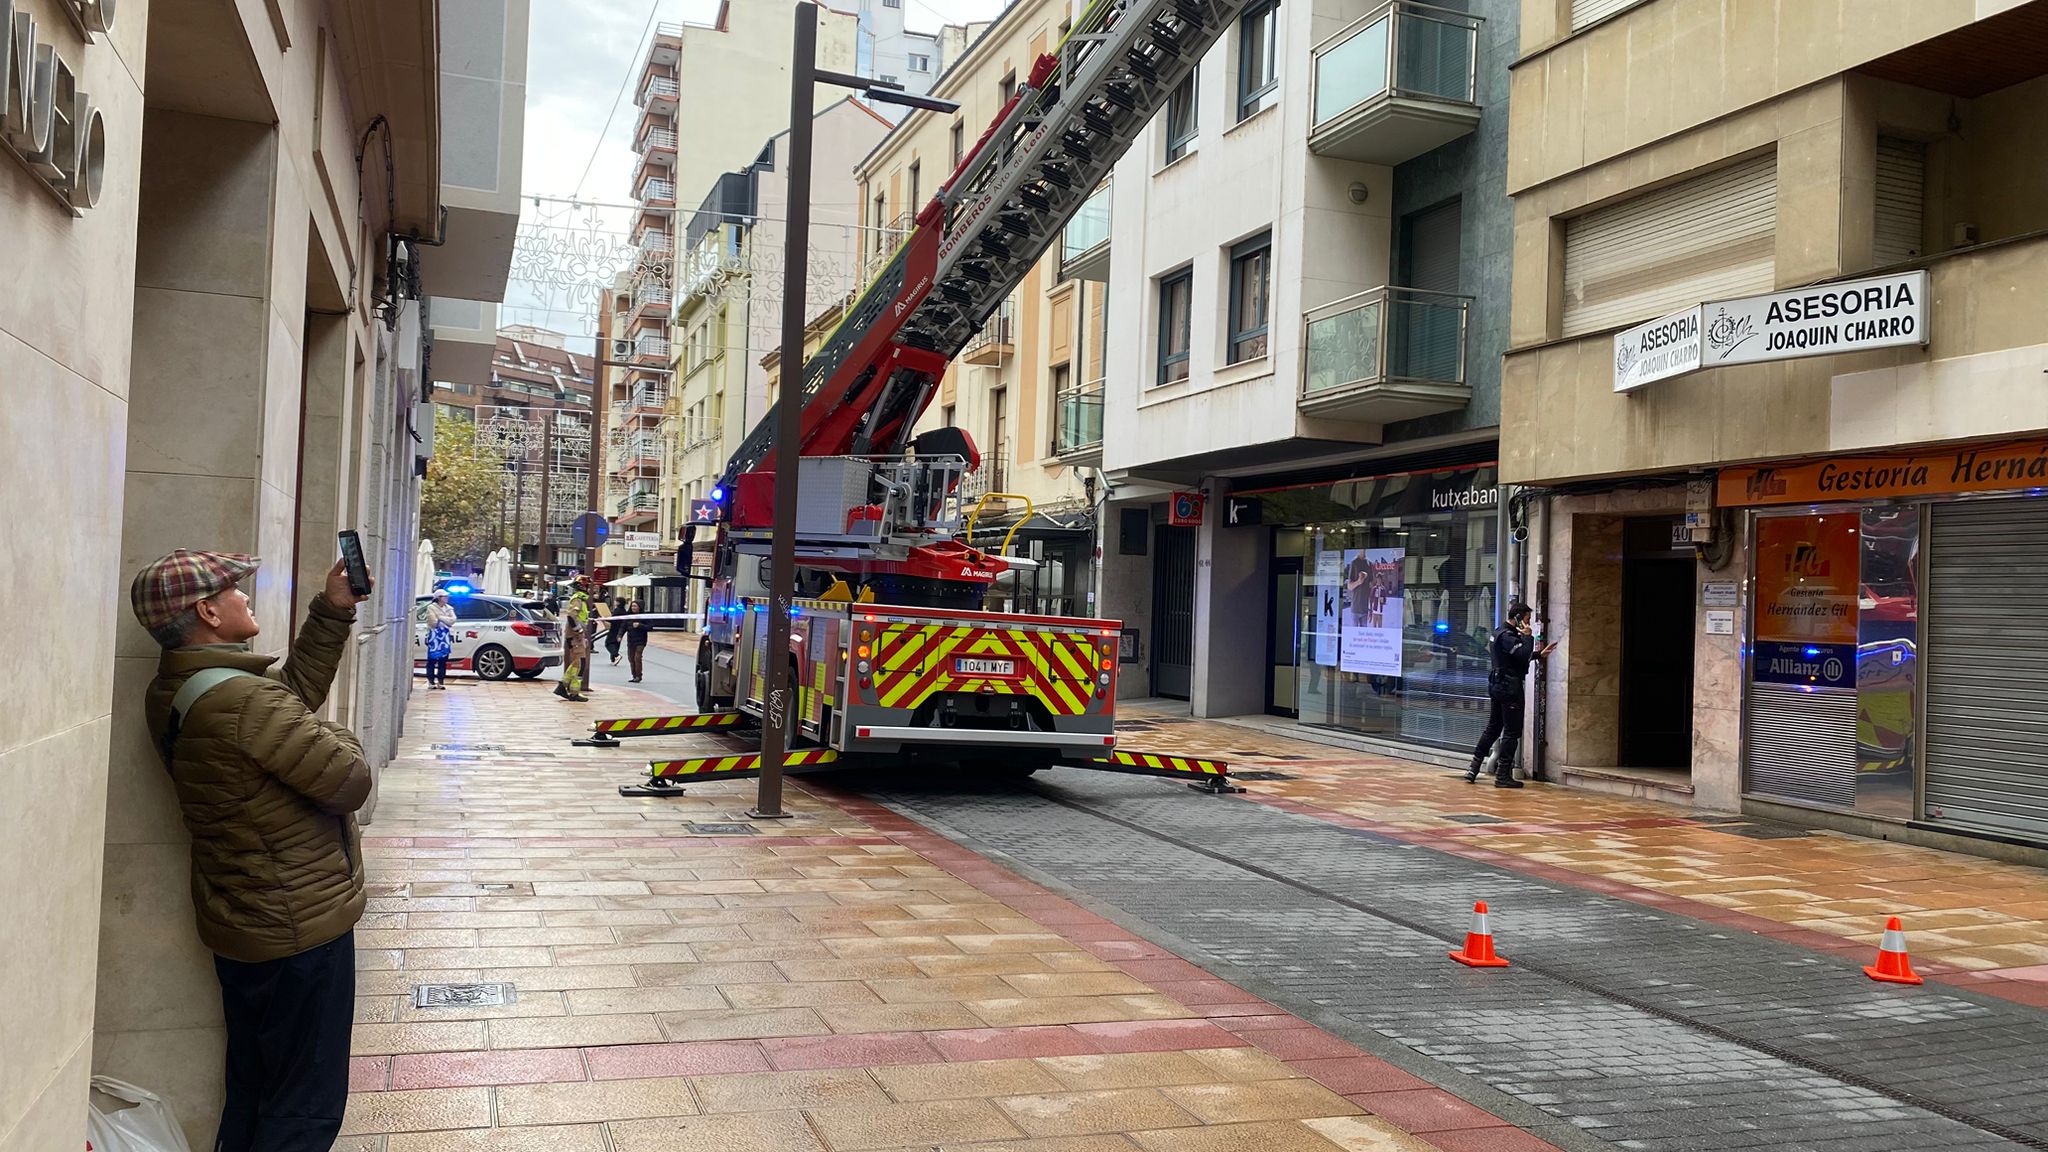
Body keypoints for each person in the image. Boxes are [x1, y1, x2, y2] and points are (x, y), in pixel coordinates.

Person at [130, 550, 373, 1152]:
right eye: (235, 591)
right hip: (299, 926)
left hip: (246, 916)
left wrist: (333, 610)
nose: (246, 597)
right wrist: (337, 735)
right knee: (303, 1105)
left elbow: (284, 697)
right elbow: (349, 781)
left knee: (255, 1086)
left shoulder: (180, 689)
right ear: (208, 611)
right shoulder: (242, 703)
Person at [1466, 601, 1555, 788]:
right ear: (1518, 617)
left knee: (1493, 727)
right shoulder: (1508, 635)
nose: (1528, 623)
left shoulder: (1499, 632)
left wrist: (1539, 655)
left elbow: (1511, 658)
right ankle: (1503, 775)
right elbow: (1521, 654)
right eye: (1527, 619)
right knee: (1512, 731)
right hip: (1509, 687)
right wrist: (1529, 637)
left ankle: (1473, 768)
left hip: (1498, 684)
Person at [556, 578, 592, 701]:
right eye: (587, 586)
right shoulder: (578, 599)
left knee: (577, 662)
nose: (589, 589)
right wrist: (579, 631)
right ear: (583, 587)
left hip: (576, 636)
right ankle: (573, 692)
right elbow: (572, 616)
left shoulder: (580, 599)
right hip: (575, 636)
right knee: (580, 663)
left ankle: (564, 685)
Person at [423, 588, 457, 689]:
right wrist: (444, 620)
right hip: (434, 635)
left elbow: (453, 620)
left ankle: (441, 680)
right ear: (438, 598)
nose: (447, 598)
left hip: (445, 636)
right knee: (432, 659)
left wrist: (440, 618)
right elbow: (433, 622)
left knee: (443, 659)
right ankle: (431, 681)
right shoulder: (431, 607)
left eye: (447, 596)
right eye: (444, 596)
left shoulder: (449, 608)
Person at [622, 602, 651, 683]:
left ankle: (638, 676)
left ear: (639, 607)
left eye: (635, 606)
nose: (633, 608)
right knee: (631, 658)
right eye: (632, 606)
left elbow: (650, 627)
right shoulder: (628, 616)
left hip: (641, 640)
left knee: (637, 657)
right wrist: (619, 636)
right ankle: (634, 675)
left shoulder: (644, 616)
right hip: (631, 640)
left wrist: (640, 625)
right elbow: (623, 627)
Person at [603, 597, 627, 665]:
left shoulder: (617, 610)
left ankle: (616, 655)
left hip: (614, 629)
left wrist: (604, 619)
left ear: (618, 602)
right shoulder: (624, 610)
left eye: (615, 601)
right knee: (616, 643)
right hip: (621, 629)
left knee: (608, 643)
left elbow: (613, 619)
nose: (614, 602)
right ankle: (613, 659)